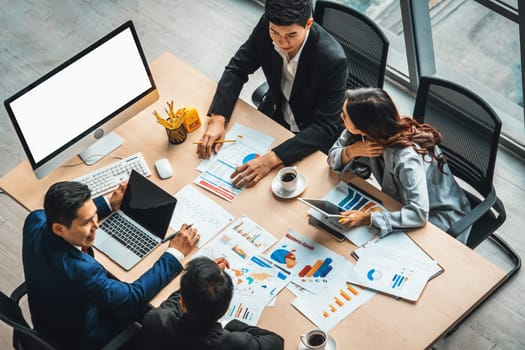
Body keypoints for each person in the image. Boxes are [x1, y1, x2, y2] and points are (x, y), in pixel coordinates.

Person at [22, 181, 200, 349]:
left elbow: (53, 217)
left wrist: (108, 203)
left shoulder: (35, 220)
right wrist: (175, 253)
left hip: (48, 314)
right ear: (59, 229)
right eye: (86, 222)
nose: (96, 226)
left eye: (94, 216)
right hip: (81, 338)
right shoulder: (82, 273)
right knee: (156, 310)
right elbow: (134, 295)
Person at [197, 0, 348, 188]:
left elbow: (325, 126)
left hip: (309, 137)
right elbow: (238, 68)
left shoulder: (332, 60)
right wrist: (218, 118)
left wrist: (271, 159)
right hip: (275, 116)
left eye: (291, 35)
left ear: (308, 24)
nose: (282, 42)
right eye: (275, 33)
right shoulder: (268, 26)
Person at [327, 88, 472, 243]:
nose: (341, 117)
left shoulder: (406, 159)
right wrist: (350, 151)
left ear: (363, 125)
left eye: (345, 116)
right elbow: (332, 158)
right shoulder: (362, 132)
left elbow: (419, 213)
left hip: (438, 217)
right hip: (399, 204)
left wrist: (368, 218)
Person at [139, 256, 284, 350]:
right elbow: (277, 341)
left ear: (183, 302)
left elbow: (174, 302)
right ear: (226, 307)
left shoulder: (156, 319)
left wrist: (201, 279)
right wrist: (232, 325)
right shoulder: (236, 344)